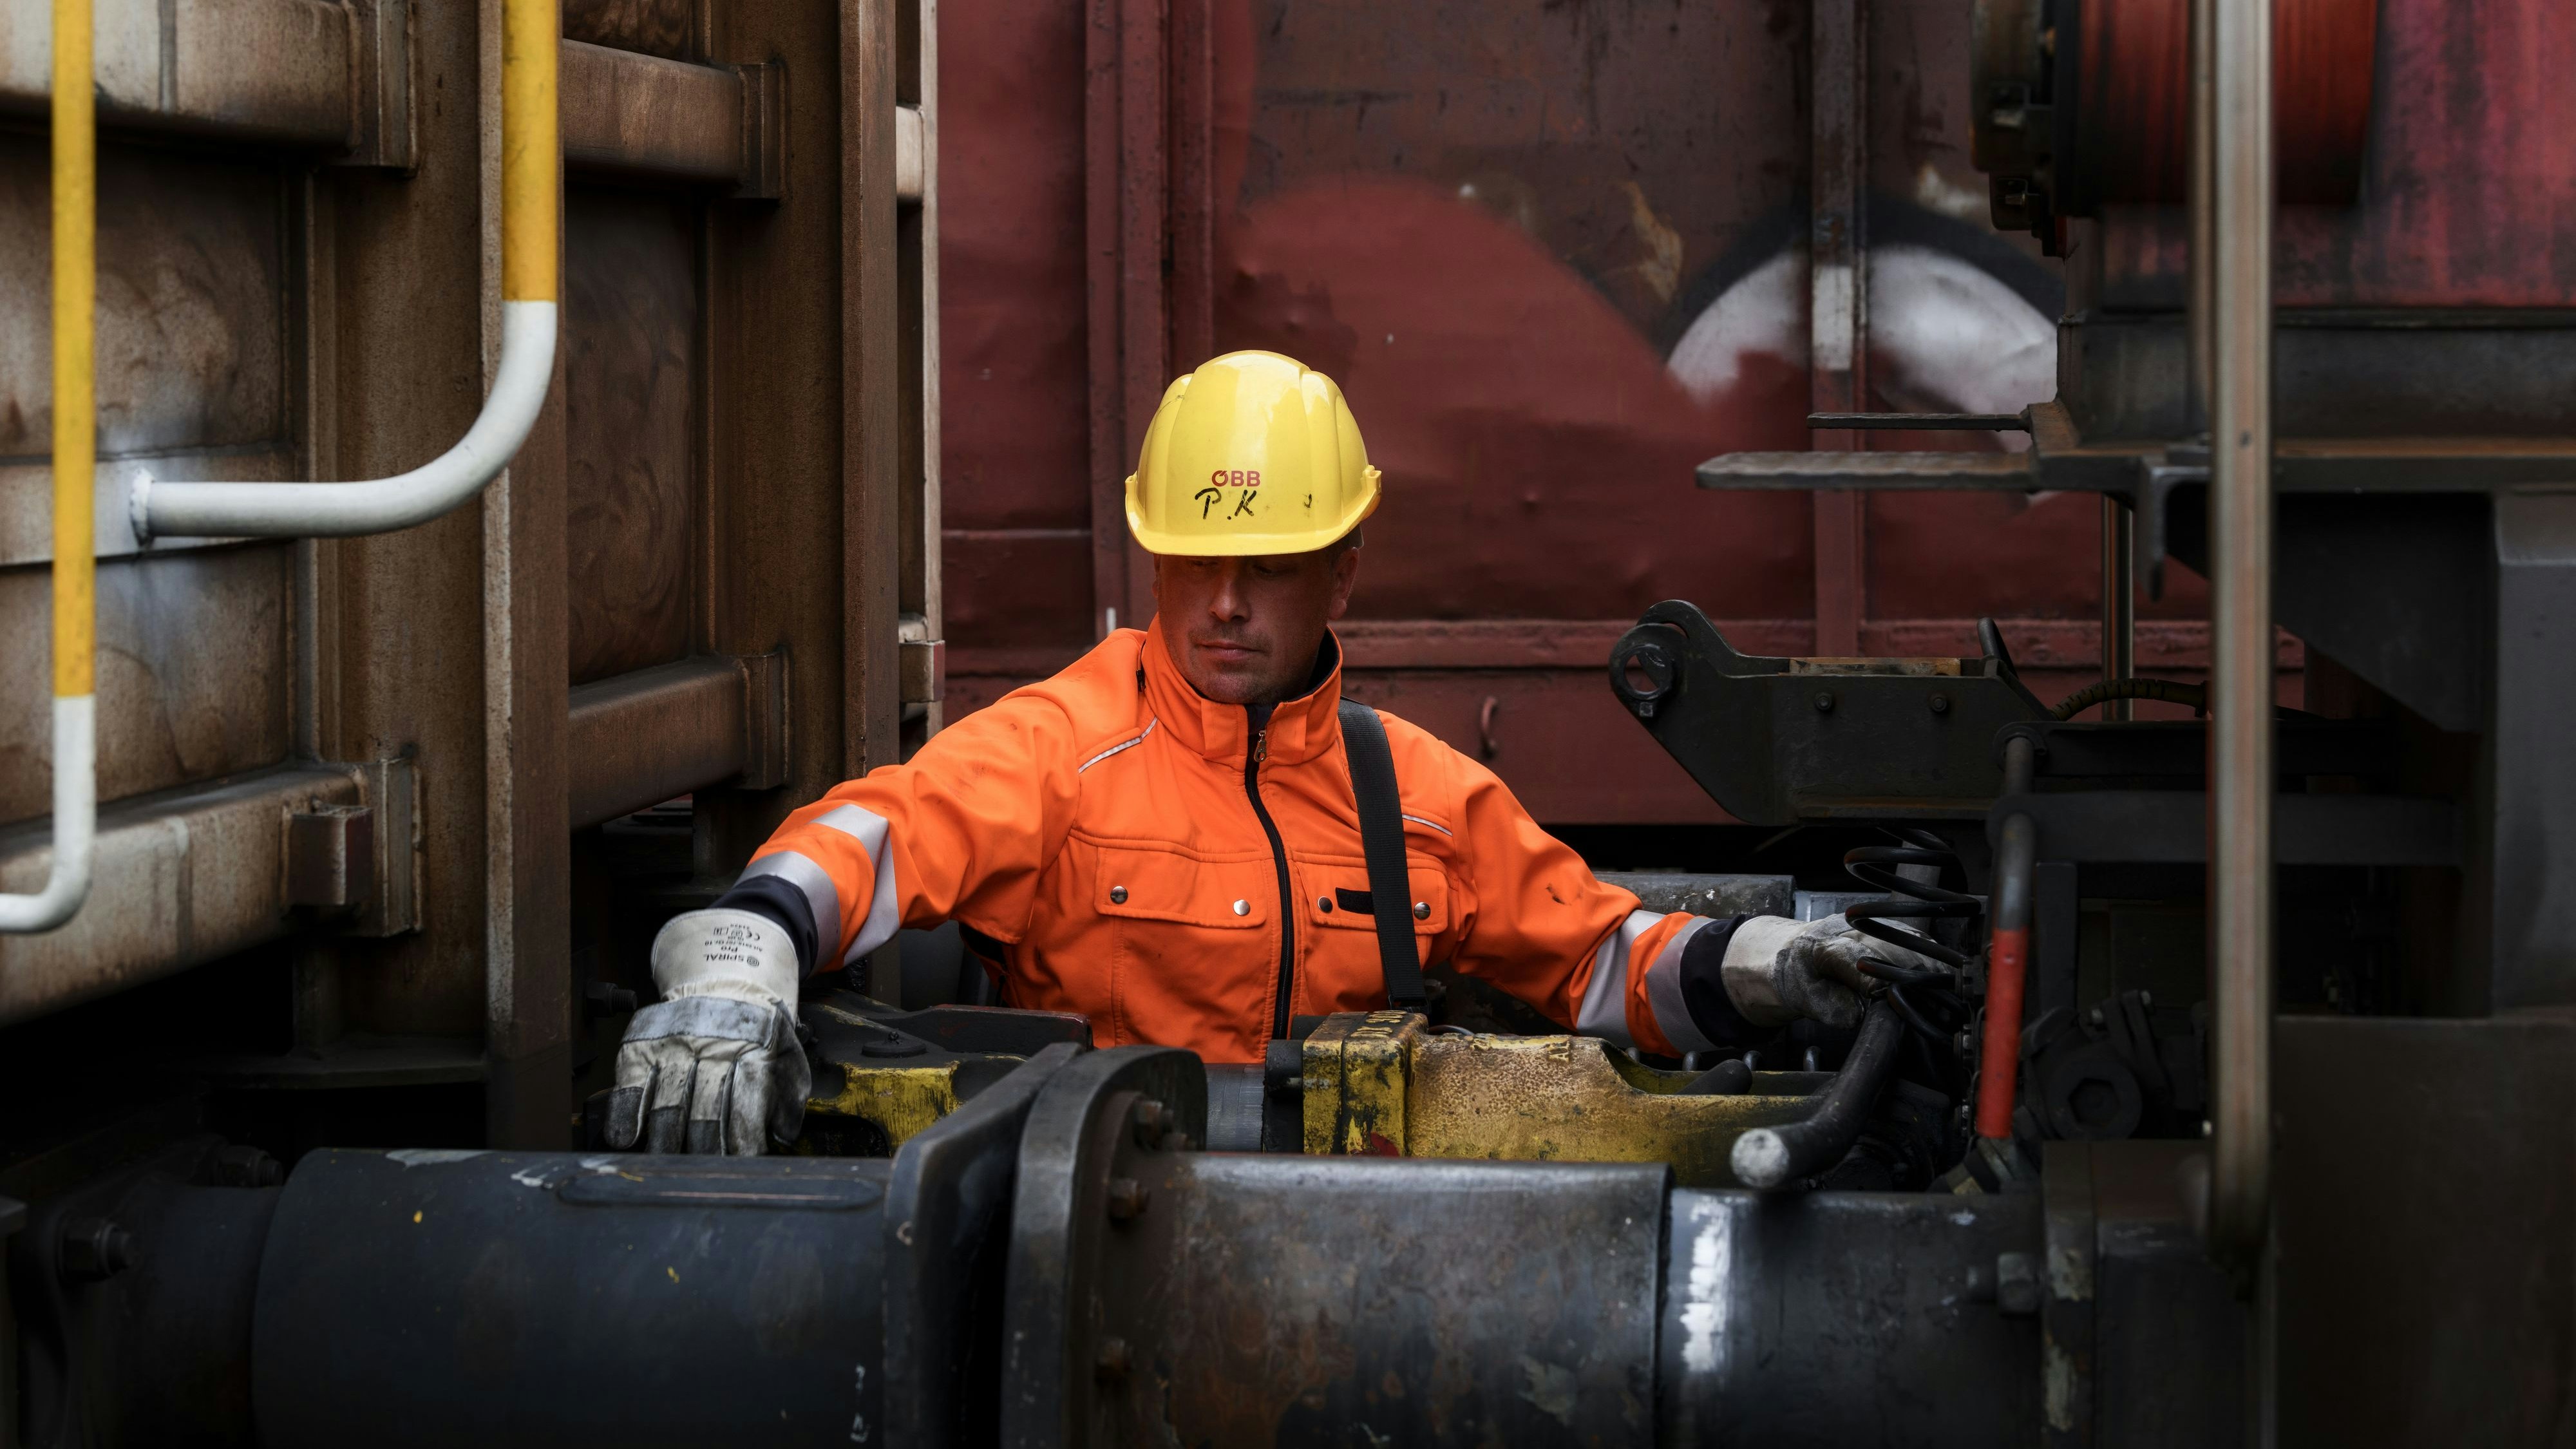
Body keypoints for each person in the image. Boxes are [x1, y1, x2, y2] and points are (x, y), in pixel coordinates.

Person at [606, 350, 1920, 1155]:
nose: (1225, 600)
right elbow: (877, 837)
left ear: (1341, 569)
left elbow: (1594, 959)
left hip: (1343, 1238)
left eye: (1270, 566)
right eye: (1195, 559)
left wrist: (1762, 965)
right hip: (1084, 1224)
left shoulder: (1414, 796)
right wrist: (742, 956)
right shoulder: (1062, 747)